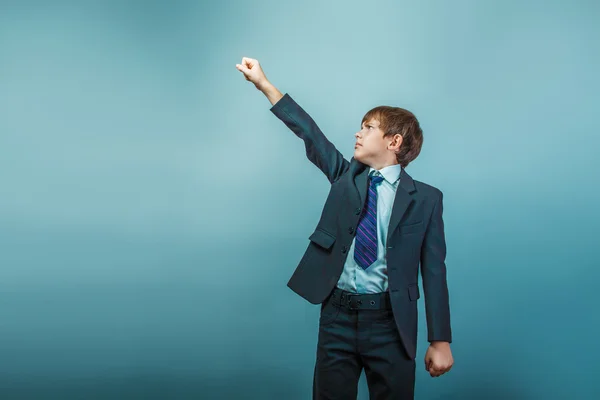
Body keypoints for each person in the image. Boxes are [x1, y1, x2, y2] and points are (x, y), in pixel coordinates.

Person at [236, 57, 454, 399]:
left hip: (392, 323)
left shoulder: (426, 199)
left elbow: (434, 271)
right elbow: (310, 133)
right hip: (337, 315)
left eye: (368, 127)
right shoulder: (344, 177)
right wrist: (265, 85)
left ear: (393, 142)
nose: (358, 132)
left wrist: (439, 340)